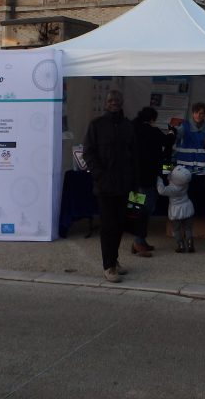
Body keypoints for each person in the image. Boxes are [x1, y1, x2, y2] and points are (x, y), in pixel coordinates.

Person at [83, 90, 136, 283]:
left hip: (123, 185)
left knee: (120, 224)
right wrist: (100, 176)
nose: (114, 103)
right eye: (111, 100)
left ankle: (114, 259)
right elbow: (88, 153)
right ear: (106, 103)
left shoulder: (128, 126)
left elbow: (133, 154)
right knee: (108, 226)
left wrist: (132, 180)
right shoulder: (96, 125)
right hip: (104, 186)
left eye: (117, 100)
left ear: (122, 103)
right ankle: (108, 266)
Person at [131, 105, 175, 257]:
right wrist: (171, 132)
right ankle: (138, 241)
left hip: (132, 178)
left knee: (136, 208)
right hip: (147, 177)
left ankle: (139, 240)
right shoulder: (152, 131)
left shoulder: (131, 129)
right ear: (151, 119)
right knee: (146, 208)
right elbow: (168, 143)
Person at [174, 101, 205, 217]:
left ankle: (201, 221)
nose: (199, 116)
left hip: (202, 173)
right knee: (185, 199)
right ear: (192, 114)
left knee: (201, 198)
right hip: (185, 172)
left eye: (202, 113)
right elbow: (175, 137)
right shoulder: (183, 127)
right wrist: (173, 133)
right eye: (196, 113)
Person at [157, 165, 195, 253]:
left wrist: (158, 179)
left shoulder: (172, 189)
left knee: (176, 229)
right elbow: (176, 175)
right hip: (187, 208)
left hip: (176, 211)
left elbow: (161, 191)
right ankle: (190, 244)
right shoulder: (185, 183)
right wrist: (170, 169)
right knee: (188, 228)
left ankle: (180, 245)